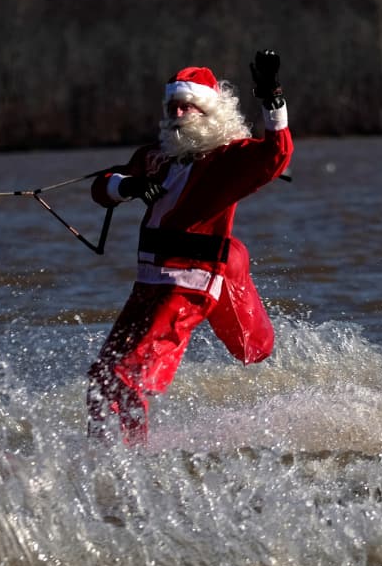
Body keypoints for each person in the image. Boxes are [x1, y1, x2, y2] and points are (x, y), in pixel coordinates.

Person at [85, 50, 294, 445]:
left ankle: (134, 459)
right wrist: (125, 186)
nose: (178, 116)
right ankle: (98, 453)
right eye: (173, 108)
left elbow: (277, 154)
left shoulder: (230, 159)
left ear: (209, 113)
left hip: (189, 285)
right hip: (148, 283)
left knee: (128, 376)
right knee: (100, 375)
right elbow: (102, 189)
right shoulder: (153, 158)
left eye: (188, 108)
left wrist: (271, 97)